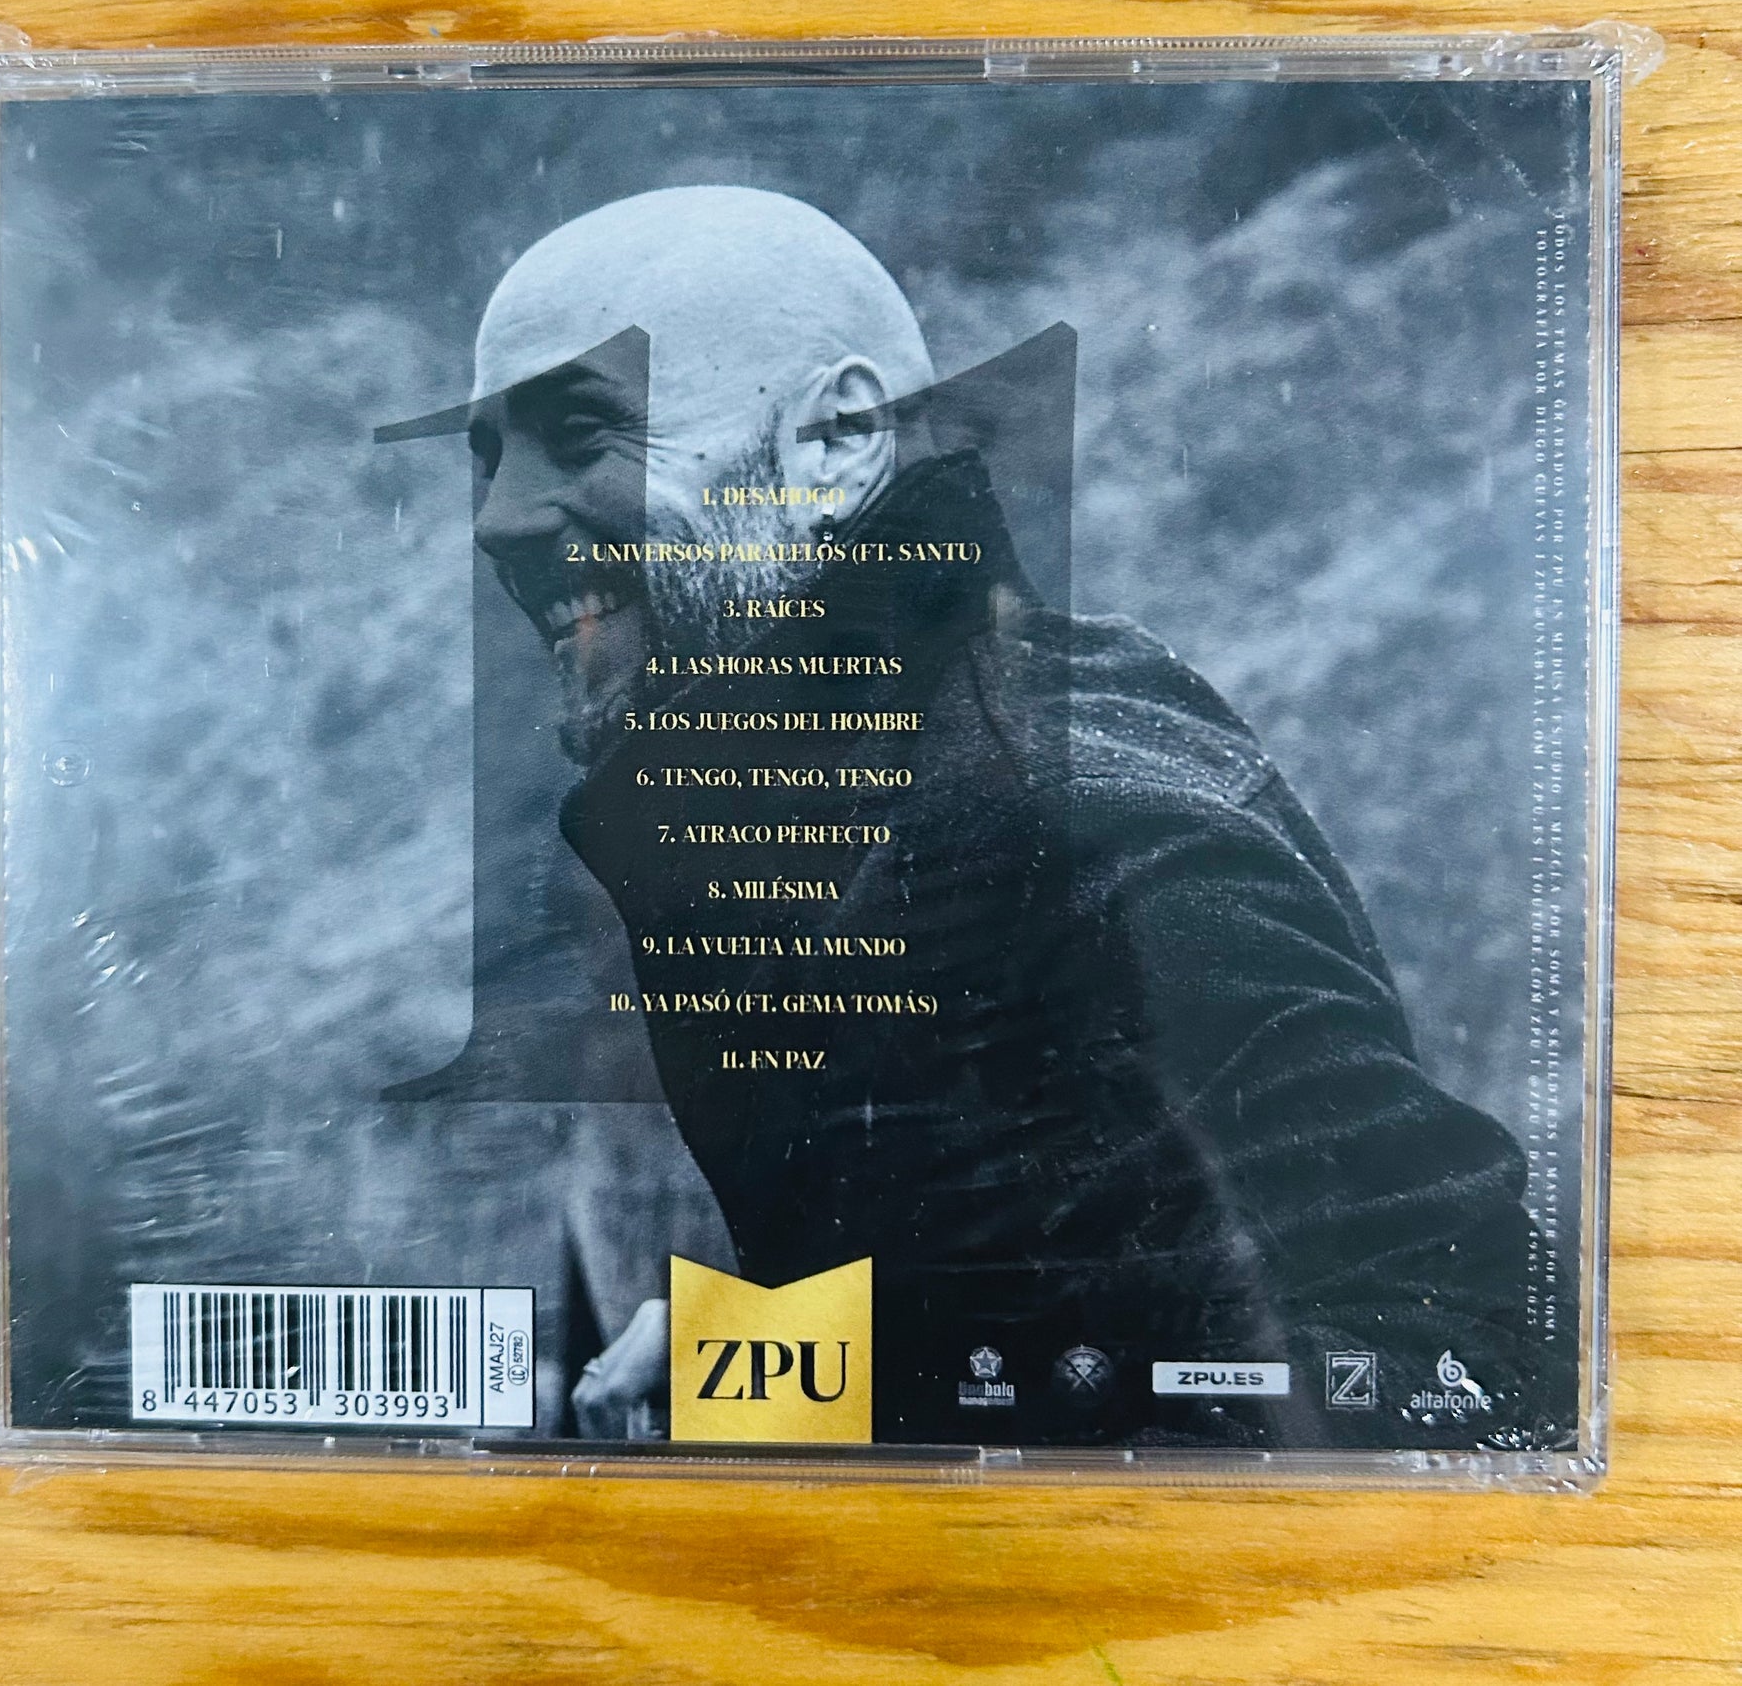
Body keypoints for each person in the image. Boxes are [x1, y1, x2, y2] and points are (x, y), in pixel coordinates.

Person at [425, 184, 1536, 1447]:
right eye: (486, 455)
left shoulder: (1074, 818)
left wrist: (818, 1370)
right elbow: (1028, 1296)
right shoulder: (829, 796)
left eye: (580, 431)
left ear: (838, 440)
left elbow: (1470, 1362)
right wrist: (786, 1358)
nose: (497, 518)